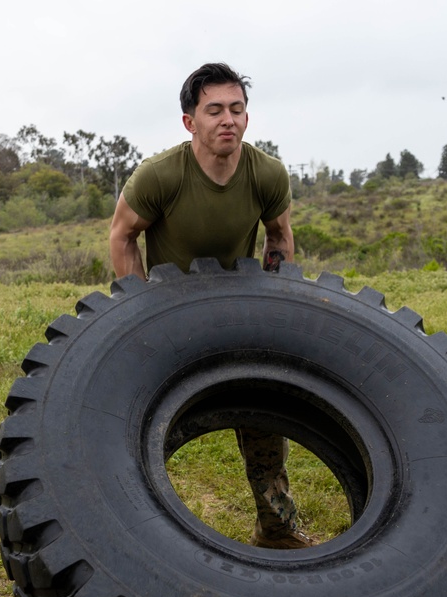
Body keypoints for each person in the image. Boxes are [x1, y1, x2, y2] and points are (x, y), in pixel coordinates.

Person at [109, 62, 311, 549]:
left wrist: (269, 300)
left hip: (238, 311)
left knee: (263, 414)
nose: (228, 120)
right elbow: (122, 236)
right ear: (189, 121)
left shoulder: (266, 173)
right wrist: (140, 310)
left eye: (237, 109)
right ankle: (127, 530)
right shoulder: (160, 175)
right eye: (214, 110)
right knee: (134, 420)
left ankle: (277, 527)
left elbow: (280, 236)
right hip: (168, 312)